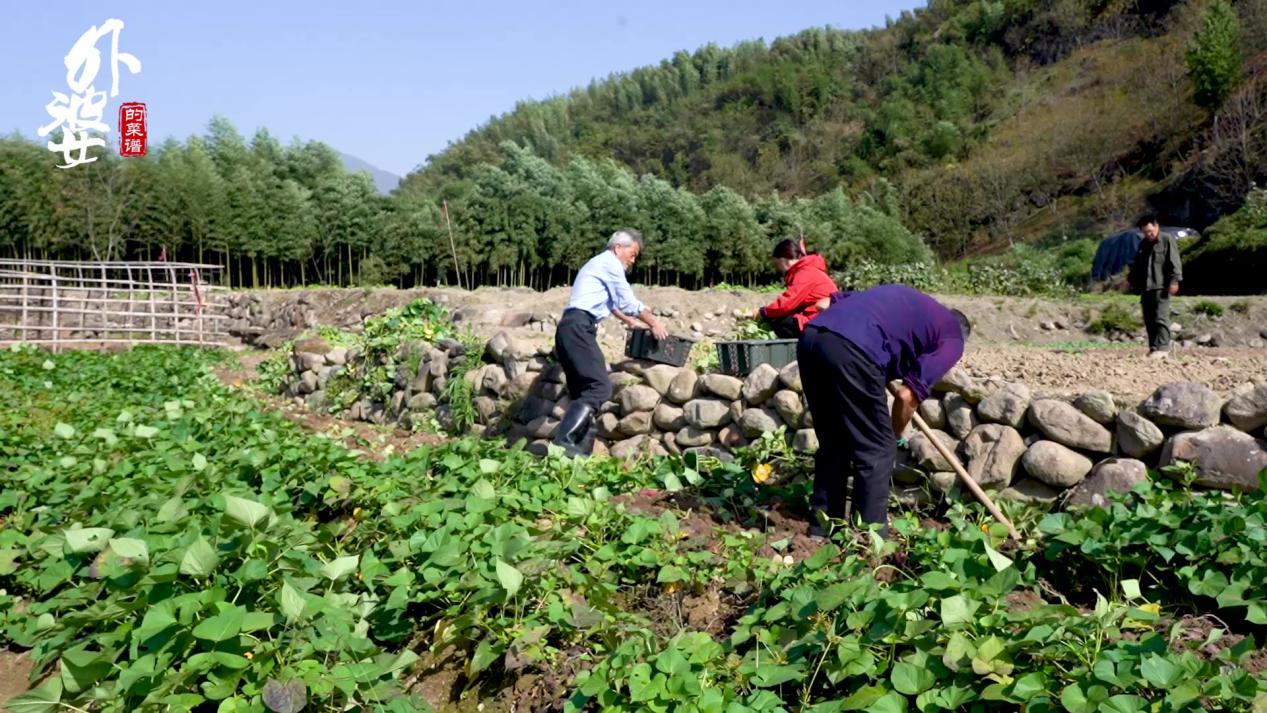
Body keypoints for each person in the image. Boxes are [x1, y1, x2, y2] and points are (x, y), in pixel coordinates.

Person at [800, 284, 970, 537]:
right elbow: (906, 395)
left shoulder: (909, 302)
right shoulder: (953, 338)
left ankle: (822, 530)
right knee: (877, 449)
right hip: (854, 350)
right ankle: (869, 538)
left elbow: (822, 304)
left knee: (834, 443)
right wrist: (894, 434)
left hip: (811, 339)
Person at [552, 229, 667, 457]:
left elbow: (611, 303)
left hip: (571, 327)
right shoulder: (610, 264)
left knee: (583, 392)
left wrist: (629, 321)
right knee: (599, 387)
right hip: (578, 328)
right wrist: (654, 323)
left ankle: (577, 456)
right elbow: (626, 301)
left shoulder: (599, 264)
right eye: (632, 255)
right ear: (618, 248)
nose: (633, 261)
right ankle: (563, 444)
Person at [752, 238, 838, 339]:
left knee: (783, 324)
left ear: (783, 259)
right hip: (824, 318)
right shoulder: (808, 270)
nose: (777, 268)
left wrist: (762, 312)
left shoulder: (806, 272)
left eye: (777, 264)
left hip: (824, 320)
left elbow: (788, 302)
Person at [1127, 213, 1182, 359]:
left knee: (1160, 317)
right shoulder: (1143, 244)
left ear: (1156, 226)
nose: (1148, 234)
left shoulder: (1167, 239)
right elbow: (1138, 265)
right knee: (1149, 318)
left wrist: (1175, 281)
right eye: (1145, 232)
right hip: (1146, 287)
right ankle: (1153, 347)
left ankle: (1163, 348)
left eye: (1150, 231)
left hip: (1161, 286)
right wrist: (1132, 280)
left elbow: (1174, 262)